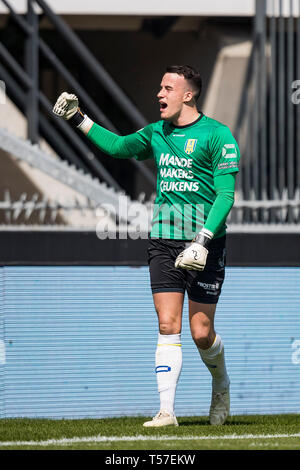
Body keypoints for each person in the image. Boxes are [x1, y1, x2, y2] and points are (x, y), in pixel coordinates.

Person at [53, 65, 240, 427]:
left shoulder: (218, 135)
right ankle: (166, 412)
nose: (160, 94)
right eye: (159, 87)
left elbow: (226, 194)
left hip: (206, 245)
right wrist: (77, 117)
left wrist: (203, 238)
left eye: (168, 88)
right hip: (163, 240)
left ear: (188, 95)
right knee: (168, 324)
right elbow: (119, 147)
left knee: (202, 333)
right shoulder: (157, 132)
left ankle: (221, 384)